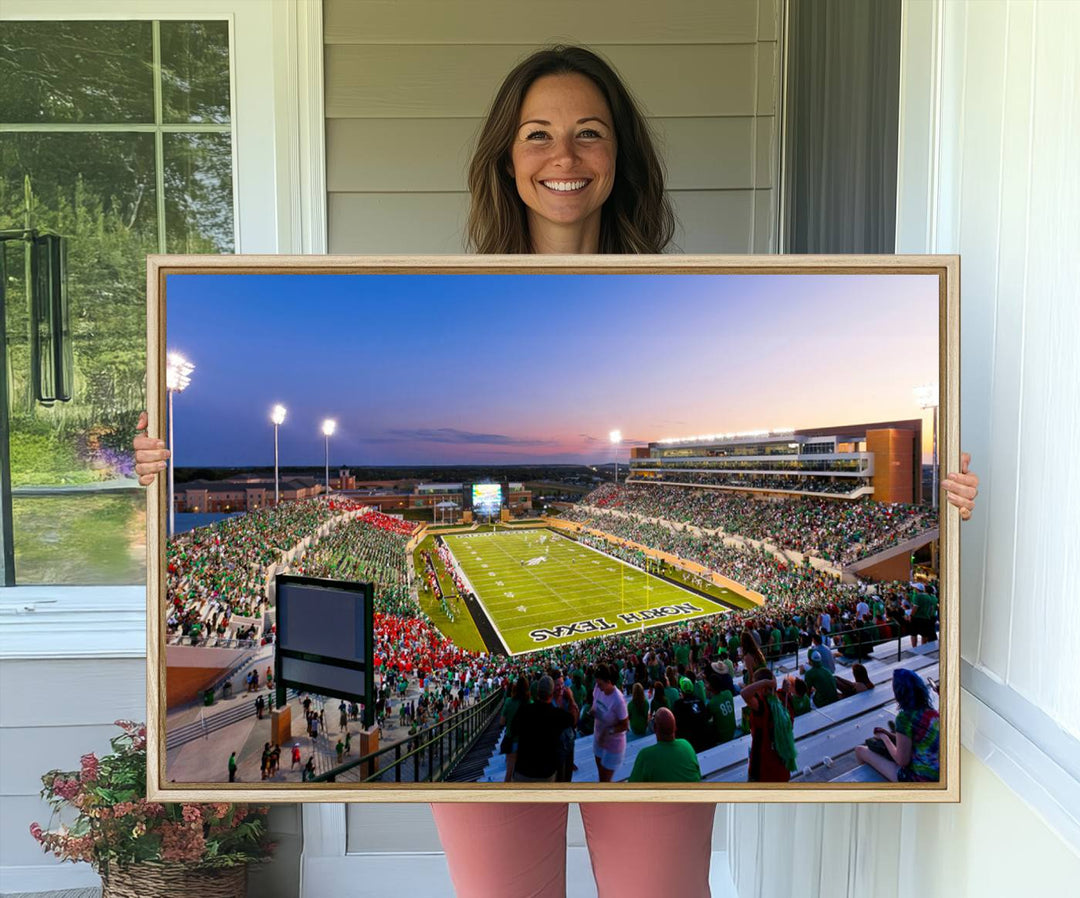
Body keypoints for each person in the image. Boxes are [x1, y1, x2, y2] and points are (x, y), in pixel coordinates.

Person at [134, 43, 980, 898]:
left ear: (621, 157)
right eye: (537, 134)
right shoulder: (458, 289)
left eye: (589, 133)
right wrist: (156, 468)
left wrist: (935, 497)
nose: (563, 156)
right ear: (507, 157)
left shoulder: (678, 295)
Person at [854, 669, 940, 781]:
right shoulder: (933, 714)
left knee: (860, 750)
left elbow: (902, 761)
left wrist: (884, 738)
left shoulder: (904, 718)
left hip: (919, 779)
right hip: (938, 774)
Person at [510, 675, 573, 782]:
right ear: (552, 693)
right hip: (546, 775)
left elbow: (513, 731)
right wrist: (571, 699)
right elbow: (573, 720)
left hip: (523, 772)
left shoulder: (524, 710)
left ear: (538, 692)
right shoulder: (558, 715)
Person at [628, 707, 701, 783]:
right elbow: (698, 774)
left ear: (655, 728)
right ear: (675, 727)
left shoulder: (645, 756)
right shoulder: (686, 745)